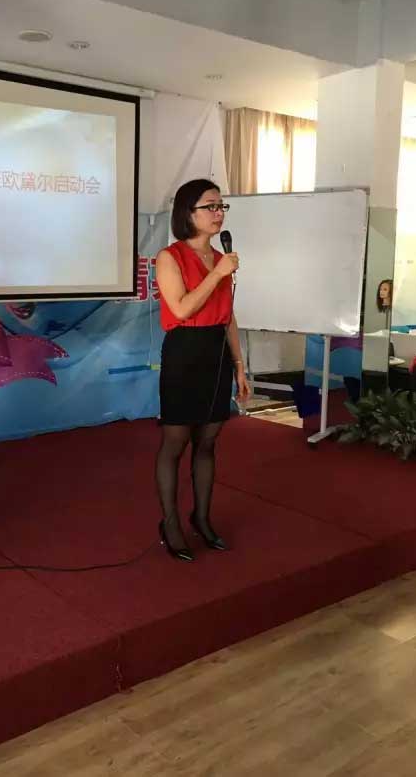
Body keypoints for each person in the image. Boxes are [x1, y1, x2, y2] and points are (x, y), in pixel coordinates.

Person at [155, 179, 251, 562]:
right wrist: (216, 274)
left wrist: (240, 365)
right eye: (210, 206)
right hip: (184, 352)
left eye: (221, 206)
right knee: (176, 440)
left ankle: (202, 518)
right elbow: (181, 309)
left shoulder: (220, 258)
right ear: (187, 212)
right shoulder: (170, 257)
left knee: (208, 441)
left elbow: (228, 316)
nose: (218, 213)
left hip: (217, 353)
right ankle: (170, 522)